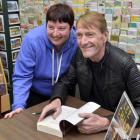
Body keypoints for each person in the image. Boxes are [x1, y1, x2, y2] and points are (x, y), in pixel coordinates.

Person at [38, 11, 140, 134]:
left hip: (114, 128)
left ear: (105, 36)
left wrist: (107, 123)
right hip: (87, 120)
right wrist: (56, 99)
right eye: (79, 35)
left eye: (90, 35)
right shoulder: (80, 55)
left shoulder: (125, 64)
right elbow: (65, 81)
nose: (83, 41)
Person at [4, 3, 77, 118]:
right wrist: (19, 105)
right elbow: (22, 76)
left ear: (71, 27)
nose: (55, 33)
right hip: (36, 95)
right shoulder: (32, 40)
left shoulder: (77, 40)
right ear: (46, 25)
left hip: (63, 93)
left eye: (62, 28)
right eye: (51, 27)